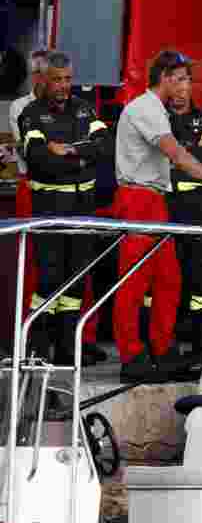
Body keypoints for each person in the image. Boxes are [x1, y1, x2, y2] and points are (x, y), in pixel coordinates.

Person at [112, 50, 202, 382]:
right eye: (180, 79)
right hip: (139, 199)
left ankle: (162, 350)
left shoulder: (153, 109)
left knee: (168, 280)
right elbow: (174, 153)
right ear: (165, 78)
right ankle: (132, 357)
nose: (185, 86)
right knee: (133, 283)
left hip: (154, 200)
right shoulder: (146, 109)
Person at [18, 51, 113, 364]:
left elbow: (105, 146)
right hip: (50, 207)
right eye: (57, 79)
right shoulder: (31, 113)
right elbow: (40, 160)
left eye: (68, 79)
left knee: (77, 276)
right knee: (49, 278)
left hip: (82, 205)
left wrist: (69, 150)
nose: (63, 85)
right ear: (43, 80)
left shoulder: (84, 108)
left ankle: (67, 348)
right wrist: (79, 157)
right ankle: (38, 349)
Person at [166, 79, 202, 358]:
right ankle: (168, 347)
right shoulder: (158, 120)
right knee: (168, 280)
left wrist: (178, 158)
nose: (179, 93)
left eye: (184, 86)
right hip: (166, 209)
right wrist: (189, 159)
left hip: (201, 210)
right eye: (174, 86)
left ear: (191, 88)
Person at [10, 50, 48, 340]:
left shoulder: (72, 106)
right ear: (36, 76)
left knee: (69, 262)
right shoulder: (19, 107)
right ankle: (31, 334)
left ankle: (71, 337)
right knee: (32, 262)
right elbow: (31, 153)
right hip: (31, 187)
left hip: (66, 189)